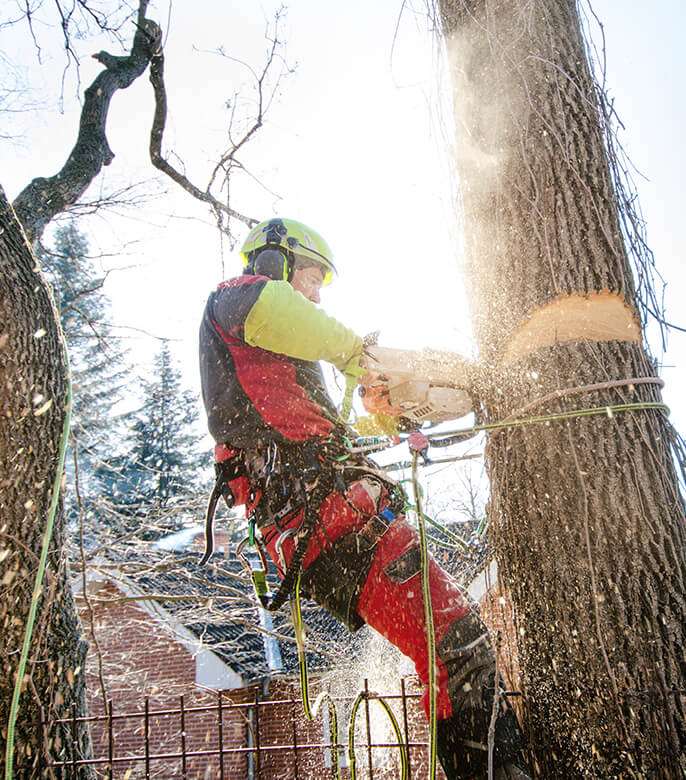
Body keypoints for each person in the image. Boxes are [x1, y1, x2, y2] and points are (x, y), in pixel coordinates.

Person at [199, 217, 528, 779]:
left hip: (336, 516)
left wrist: (395, 422)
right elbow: (295, 319)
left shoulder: (277, 360)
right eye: (311, 275)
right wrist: (361, 356)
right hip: (330, 522)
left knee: (454, 648)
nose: (316, 291)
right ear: (275, 261)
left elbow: (323, 434)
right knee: (459, 649)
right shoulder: (238, 301)